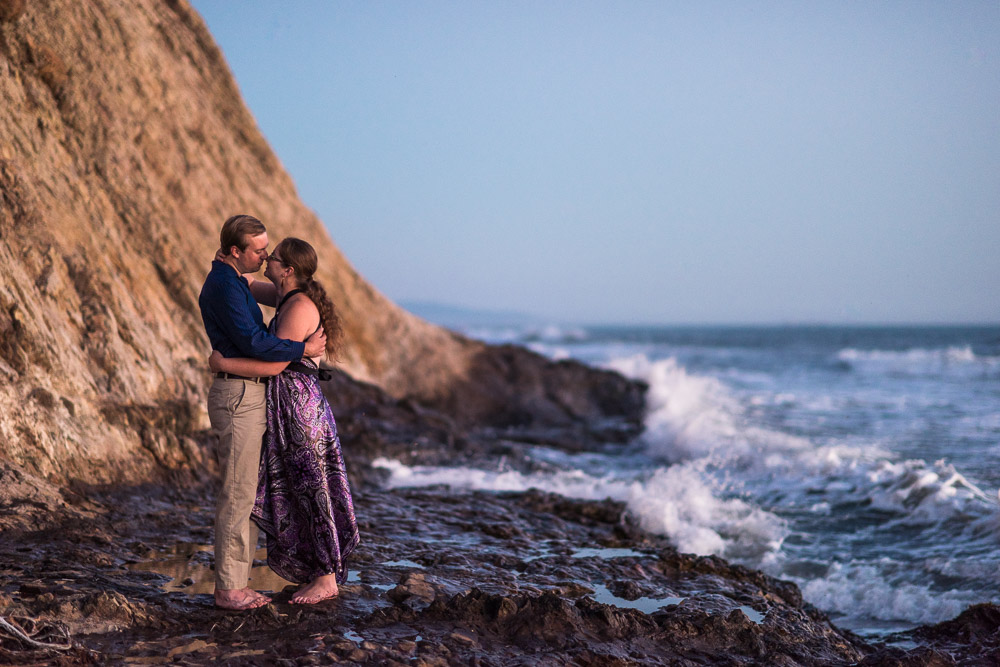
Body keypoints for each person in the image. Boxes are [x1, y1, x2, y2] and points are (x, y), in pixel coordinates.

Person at [209, 237, 360, 605]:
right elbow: (243, 284)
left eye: (271, 257)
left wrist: (223, 364)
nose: (265, 260)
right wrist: (224, 260)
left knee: (312, 491)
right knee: (301, 489)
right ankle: (318, 573)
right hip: (289, 408)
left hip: (298, 411)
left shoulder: (297, 306)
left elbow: (275, 363)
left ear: (288, 269)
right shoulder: (287, 295)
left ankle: (325, 579)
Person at [199, 215, 328, 611]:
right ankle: (230, 589)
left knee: (247, 493)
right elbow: (256, 344)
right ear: (236, 251)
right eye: (259, 249)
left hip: (248, 394)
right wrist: (302, 350)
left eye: (269, 251)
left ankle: (238, 581)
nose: (265, 255)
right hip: (239, 396)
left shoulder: (235, 280)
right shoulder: (225, 285)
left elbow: (277, 295)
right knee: (238, 494)